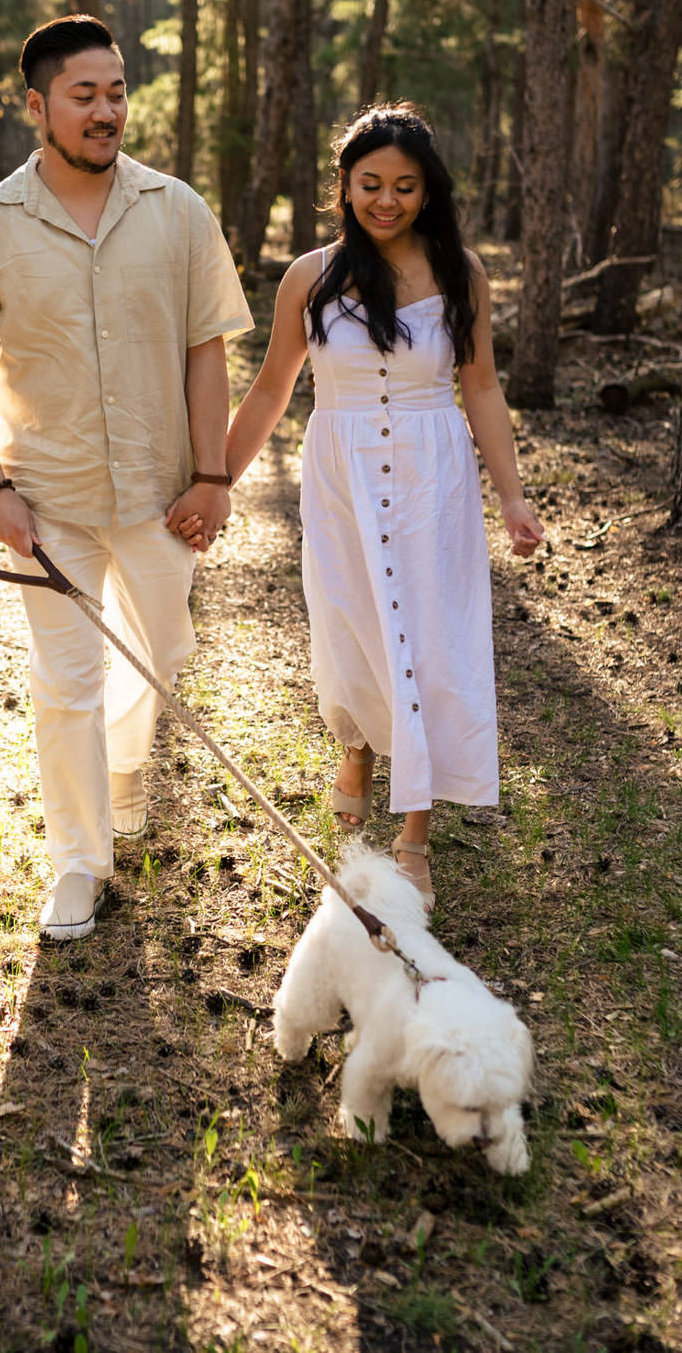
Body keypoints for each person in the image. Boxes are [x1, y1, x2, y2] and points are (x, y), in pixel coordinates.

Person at [0, 15, 254, 942]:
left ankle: (123, 768)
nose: (107, 110)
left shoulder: (178, 209)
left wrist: (212, 475)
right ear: (37, 106)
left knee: (160, 655)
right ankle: (78, 862)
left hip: (164, 493)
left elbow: (207, 349)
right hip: (51, 498)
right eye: (85, 95)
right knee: (64, 682)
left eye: (117, 92)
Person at [222, 103, 543, 911]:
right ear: (345, 186)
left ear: (428, 191)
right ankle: (358, 744)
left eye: (405, 186)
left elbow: (482, 387)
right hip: (343, 473)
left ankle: (414, 835)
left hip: (434, 476)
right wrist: (214, 479)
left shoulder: (462, 273)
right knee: (352, 624)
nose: (387, 201)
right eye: (371, 184)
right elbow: (270, 389)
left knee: (432, 641)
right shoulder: (312, 275)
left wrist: (512, 496)